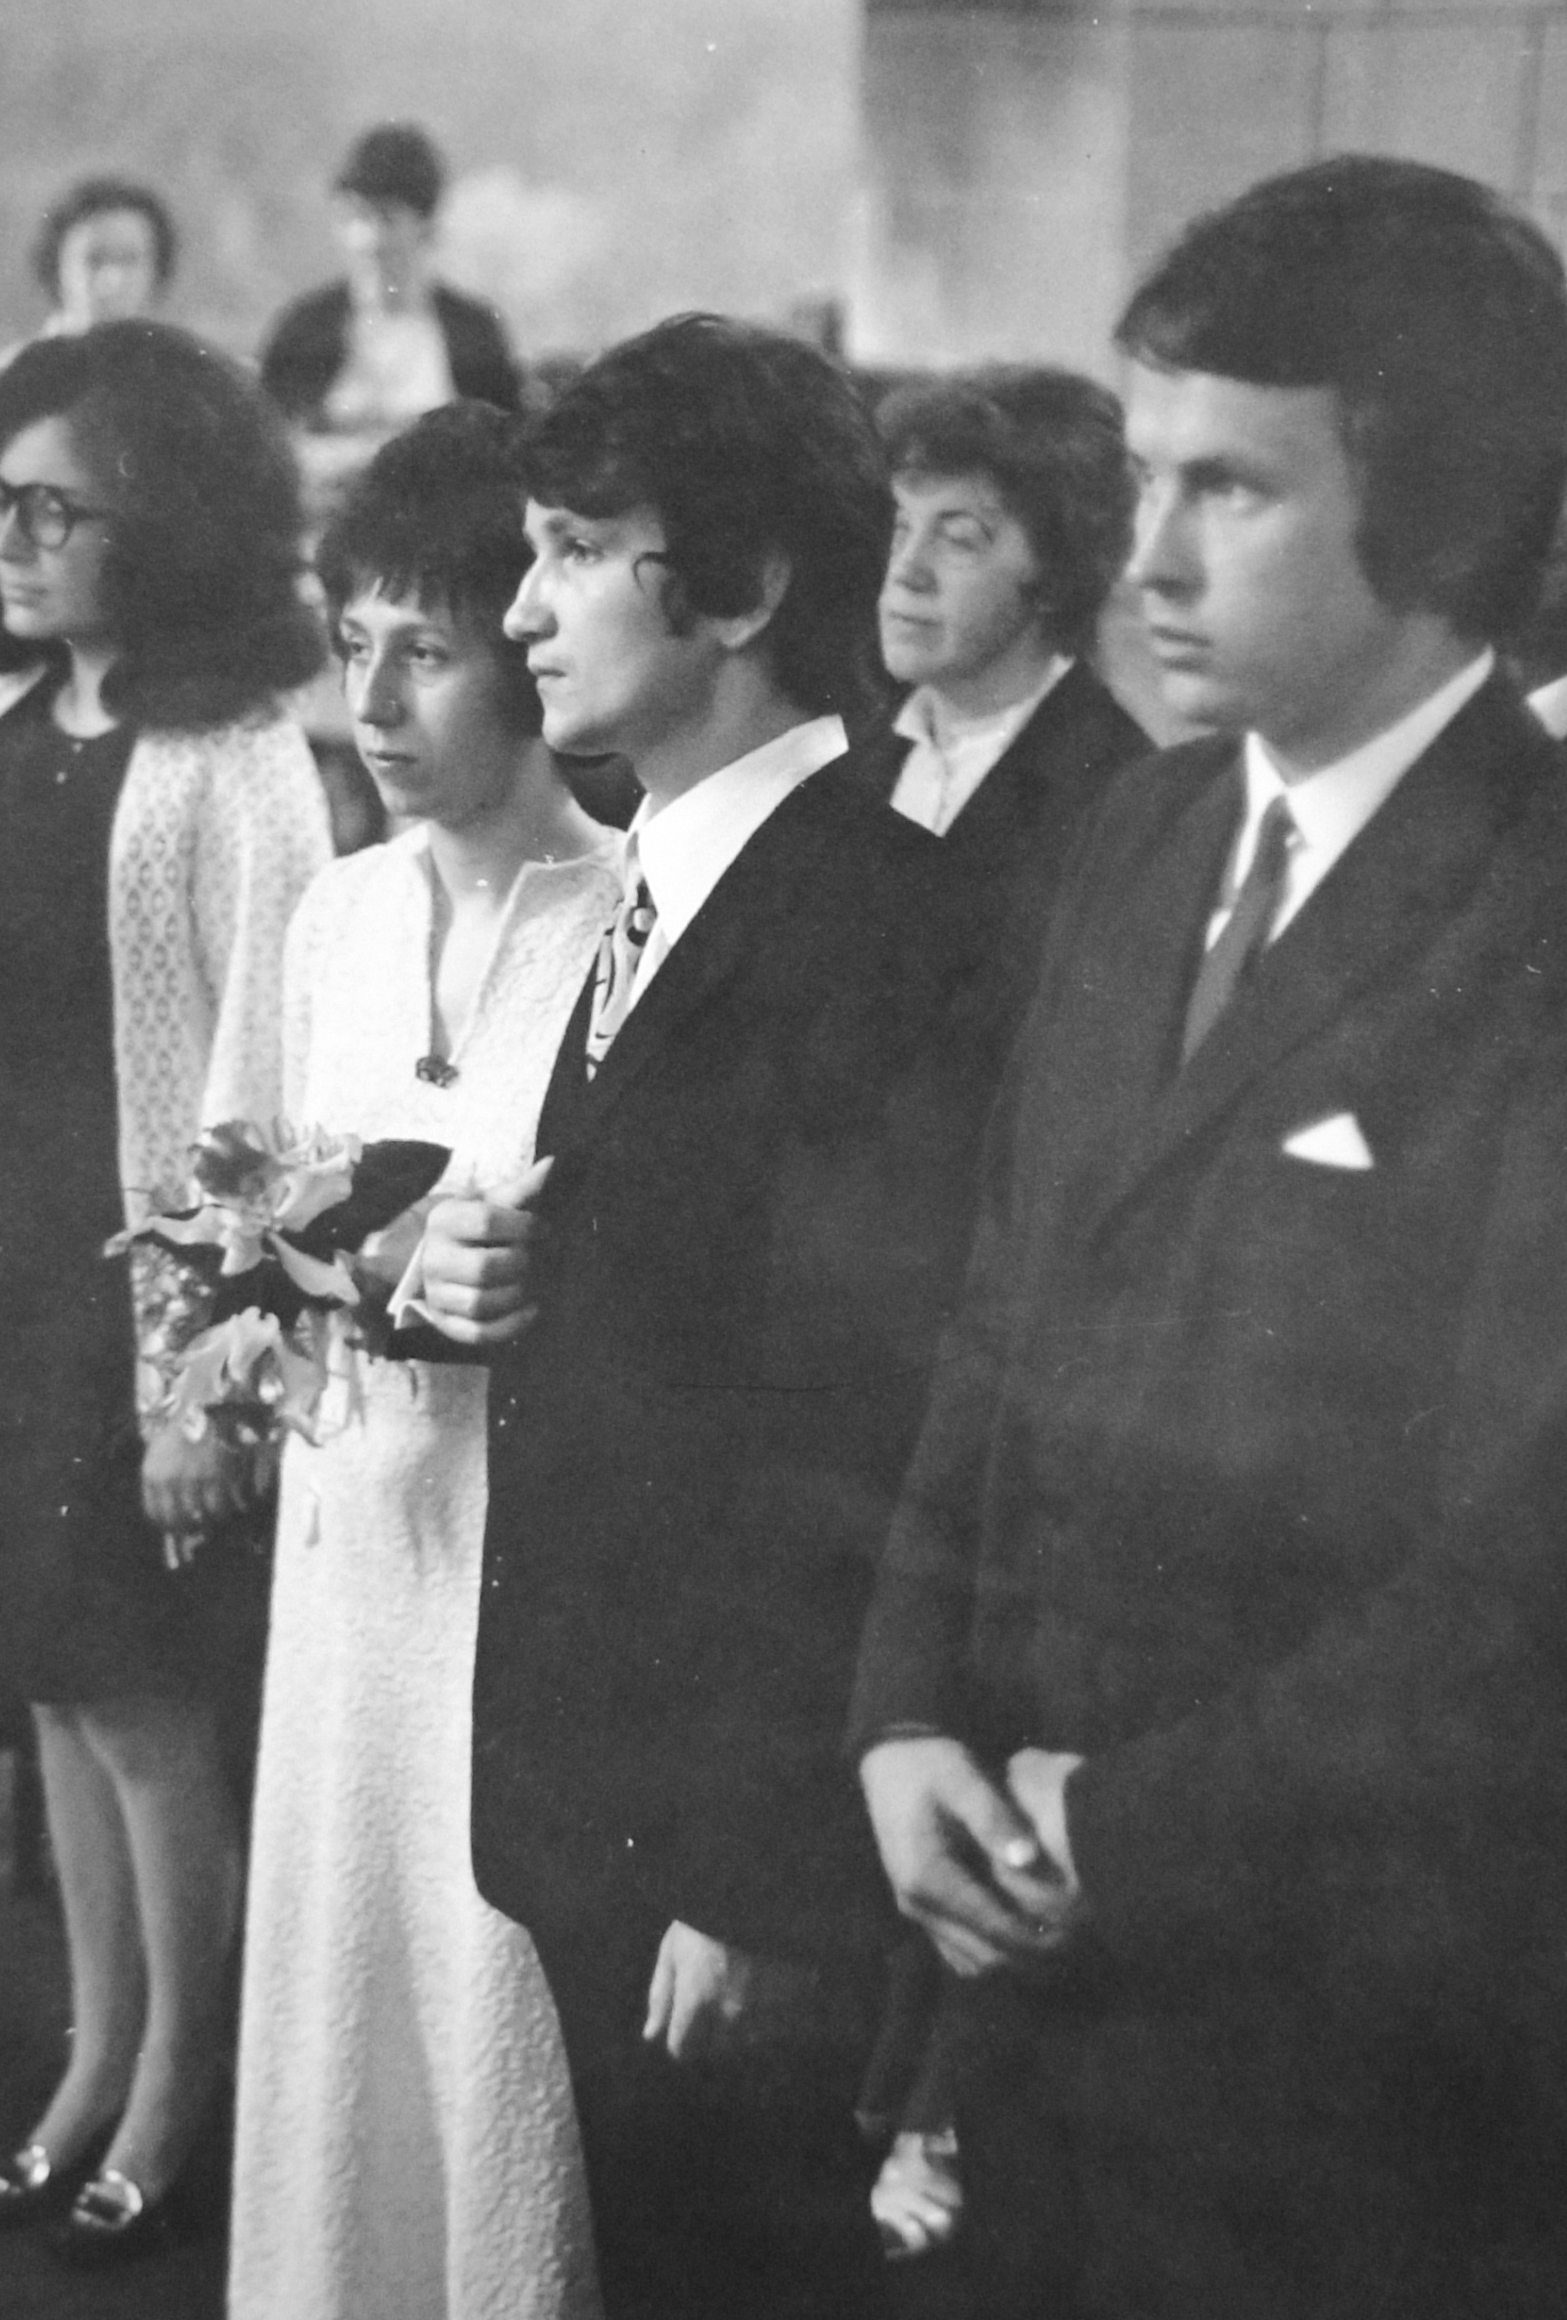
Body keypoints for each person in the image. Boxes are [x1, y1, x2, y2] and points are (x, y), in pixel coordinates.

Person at [854, 155, 1567, 2319]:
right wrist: (901, 1718)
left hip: (1356, 2049)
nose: (1150, 557)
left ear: (1437, 520)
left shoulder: (1562, 918)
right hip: (1029, 1978)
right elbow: (996, 1328)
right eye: (1146, 476)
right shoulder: (1151, 827)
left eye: (1234, 490)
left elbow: (1533, 1569)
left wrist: (1115, 1834)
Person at [410, 313, 931, 2318]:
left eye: (571, 550)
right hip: (597, 1785)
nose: (521, 612)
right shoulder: (660, 880)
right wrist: (489, 1283)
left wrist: (753, 1876)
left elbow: (860, 1434)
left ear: (742, 584)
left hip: (724, 1843)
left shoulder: (882, 922)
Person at [0, 321, 330, 2264]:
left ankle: (179, 2086)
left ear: (161, 522)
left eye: (53, 510)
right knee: (56, 1693)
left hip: (129, 1300)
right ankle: (93, 2054)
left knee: (146, 1709)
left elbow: (267, 1090)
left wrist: (202, 1374)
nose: (11, 540)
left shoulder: (235, 758)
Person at [227, 402, 614, 2320]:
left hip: (508, 1565)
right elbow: (243, 1217)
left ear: (530, 651)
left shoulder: (628, 917)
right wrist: (281, 1287)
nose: (369, 703)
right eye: (351, 642)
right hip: (347, 1549)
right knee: (343, 2005)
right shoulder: (338, 913)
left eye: (428, 650)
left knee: (488, 2000)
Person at [850, 359, 1145, 2256]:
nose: (908, 570)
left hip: (974, 1348)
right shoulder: (867, 759)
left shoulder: (1109, 794)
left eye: (961, 537)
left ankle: (935, 2115)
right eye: (901, 528)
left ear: (1054, 573)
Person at [260, 123, 521, 510]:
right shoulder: (304, 328)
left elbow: (505, 453)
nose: (368, 239)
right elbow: (266, 441)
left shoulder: (474, 331)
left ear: (427, 226)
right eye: (354, 217)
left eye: (387, 218)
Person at [33, 175, 178, 335]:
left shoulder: (184, 351)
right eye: (94, 260)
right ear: (56, 269)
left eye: (129, 260)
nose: (112, 282)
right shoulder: (29, 353)